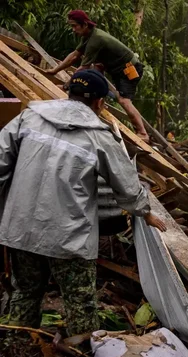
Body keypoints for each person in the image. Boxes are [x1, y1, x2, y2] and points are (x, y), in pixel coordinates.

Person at [0, 69, 167, 336]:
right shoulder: (98, 135)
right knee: (81, 305)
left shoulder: (30, 117)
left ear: (69, 92)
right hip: (69, 237)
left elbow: (1, 160)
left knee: (25, 294)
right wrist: (144, 211)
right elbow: (124, 182)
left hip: (21, 229)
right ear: (100, 102)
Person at [46, 10, 149, 142]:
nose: (73, 30)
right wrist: (55, 70)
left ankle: (142, 133)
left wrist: (67, 86)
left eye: (74, 26)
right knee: (97, 69)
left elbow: (83, 67)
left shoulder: (96, 40)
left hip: (128, 69)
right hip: (115, 67)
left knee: (123, 100)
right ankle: (97, 102)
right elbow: (74, 55)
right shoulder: (88, 36)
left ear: (84, 25)